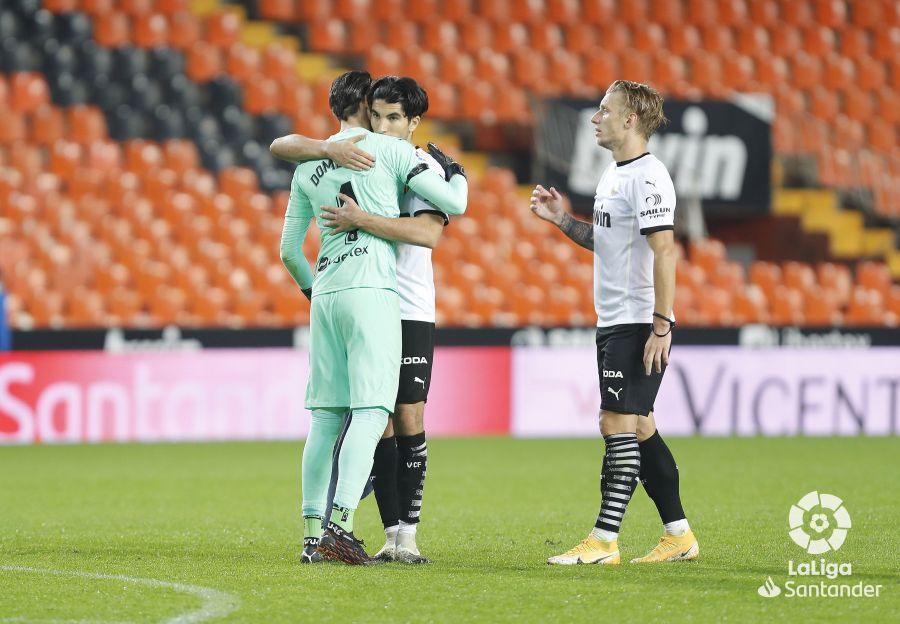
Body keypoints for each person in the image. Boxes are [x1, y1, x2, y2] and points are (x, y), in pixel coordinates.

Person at [278, 70, 467, 565]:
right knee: (375, 417)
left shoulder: (310, 166)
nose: (382, 124)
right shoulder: (395, 153)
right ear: (364, 109)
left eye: (392, 117)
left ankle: (326, 532)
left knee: (339, 418)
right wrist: (460, 174)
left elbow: (288, 248)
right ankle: (351, 527)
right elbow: (455, 206)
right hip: (377, 295)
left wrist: (312, 291)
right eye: (376, 114)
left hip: (341, 295)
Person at [530, 80, 698, 565]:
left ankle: (604, 541)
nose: (594, 117)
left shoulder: (647, 177)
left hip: (638, 321)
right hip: (616, 319)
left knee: (615, 422)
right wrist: (563, 222)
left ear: (630, 119)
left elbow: (665, 250)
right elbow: (607, 242)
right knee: (640, 426)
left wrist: (660, 325)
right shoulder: (615, 175)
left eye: (604, 110)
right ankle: (679, 536)